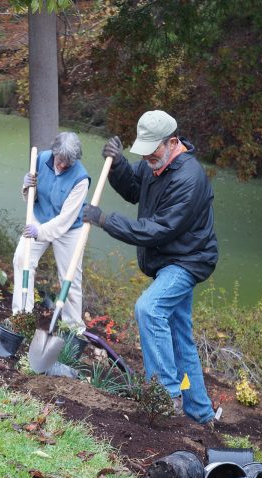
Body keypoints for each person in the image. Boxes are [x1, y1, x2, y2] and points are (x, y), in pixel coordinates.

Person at [83, 110, 219, 424]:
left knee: (150, 308)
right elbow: (134, 189)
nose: (146, 157)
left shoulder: (189, 179)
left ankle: (165, 395)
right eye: (141, 151)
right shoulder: (155, 165)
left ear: (172, 142)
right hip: (168, 260)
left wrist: (106, 220)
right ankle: (201, 413)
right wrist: (117, 164)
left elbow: (158, 230)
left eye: (151, 150)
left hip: (187, 260)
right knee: (178, 334)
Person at [13, 132, 90, 333]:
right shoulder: (41, 159)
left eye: (68, 163)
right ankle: (22, 314)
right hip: (40, 217)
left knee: (70, 278)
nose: (62, 165)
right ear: (54, 152)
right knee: (22, 259)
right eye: (60, 160)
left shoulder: (81, 179)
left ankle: (72, 330)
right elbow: (33, 196)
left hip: (69, 230)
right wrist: (27, 186)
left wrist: (40, 231)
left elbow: (65, 220)